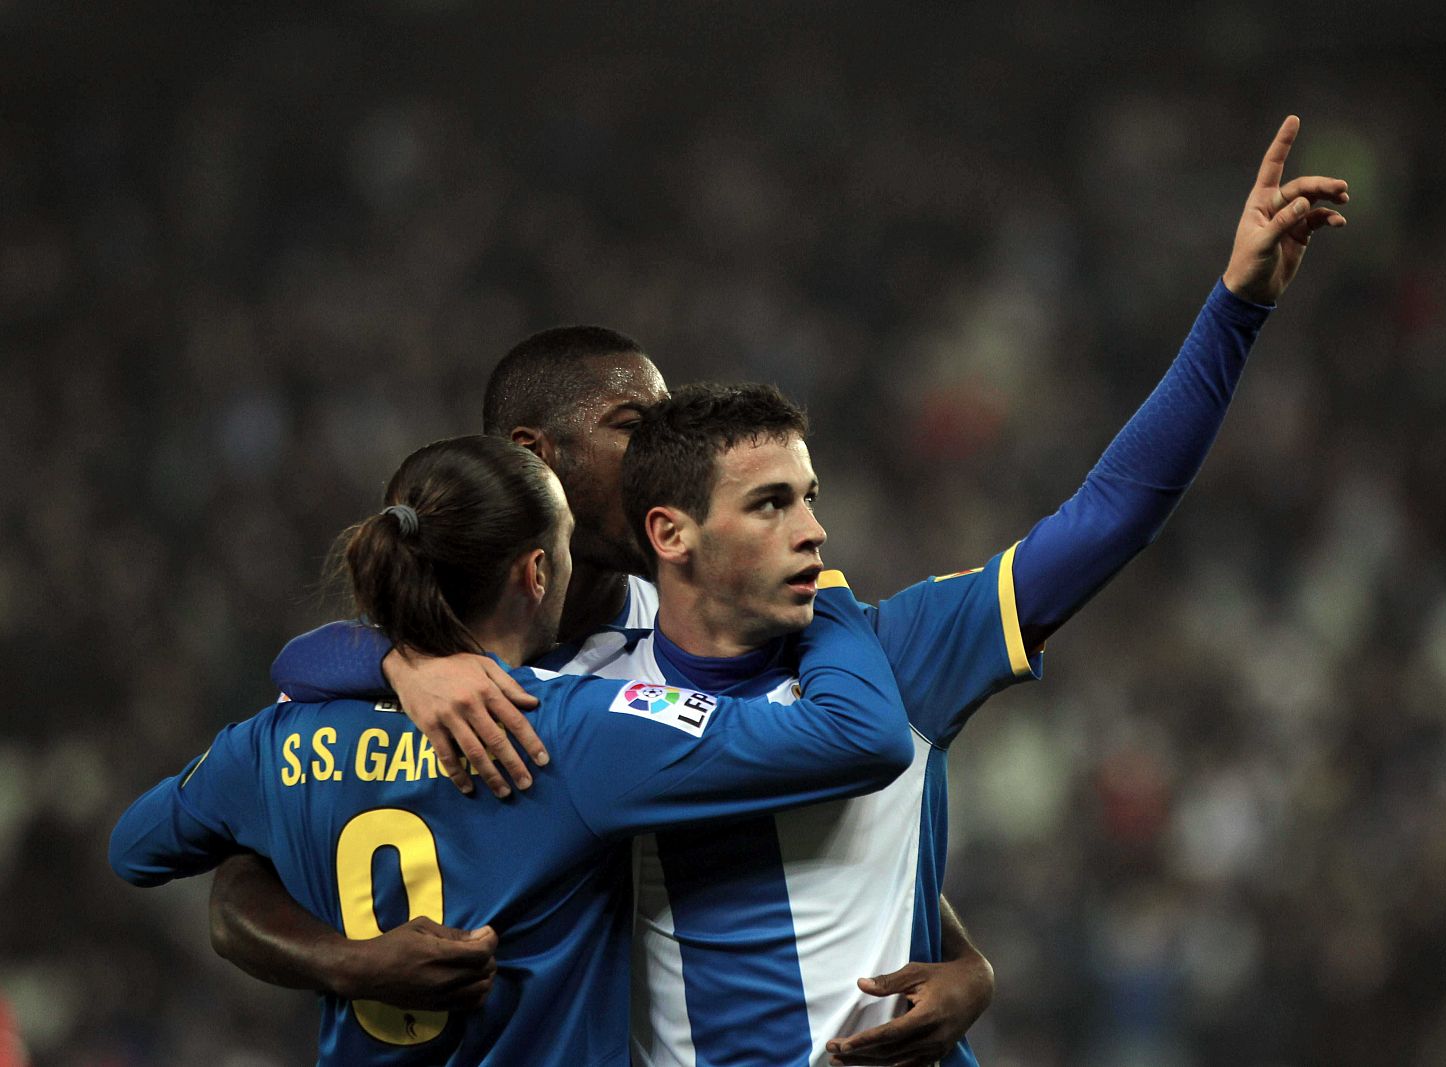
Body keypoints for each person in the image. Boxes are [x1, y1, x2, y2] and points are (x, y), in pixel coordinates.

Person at [224, 115, 1348, 1065]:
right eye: (770, 503)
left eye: (808, 497)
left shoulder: (894, 651)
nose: (815, 529)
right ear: (674, 531)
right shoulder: (569, 696)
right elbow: (282, 743)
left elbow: (1109, 515)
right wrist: (408, 660)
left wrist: (1235, 306)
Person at [109, 434, 916, 1064]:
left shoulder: (272, 739)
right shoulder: (569, 729)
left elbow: (137, 847)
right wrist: (831, 594)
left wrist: (322, 920)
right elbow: (860, 735)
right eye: (564, 548)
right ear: (536, 571)